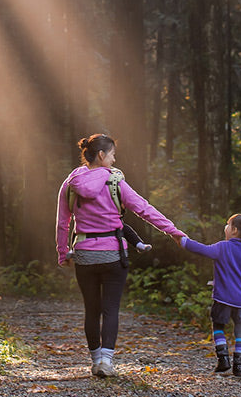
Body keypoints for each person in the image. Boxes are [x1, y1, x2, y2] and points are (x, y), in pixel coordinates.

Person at [56, 134, 187, 377]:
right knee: (110, 309)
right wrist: (173, 232)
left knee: (91, 309)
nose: (115, 160)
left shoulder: (70, 183)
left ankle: (95, 361)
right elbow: (144, 209)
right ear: (102, 155)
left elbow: (63, 222)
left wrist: (63, 252)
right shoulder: (115, 182)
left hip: (84, 254)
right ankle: (106, 361)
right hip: (113, 255)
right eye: (113, 155)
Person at [175, 214, 241, 377]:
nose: (225, 227)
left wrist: (183, 241)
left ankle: (223, 359)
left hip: (223, 298)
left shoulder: (222, 247)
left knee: (218, 327)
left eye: (227, 224)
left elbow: (201, 249)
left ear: (234, 230)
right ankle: (239, 366)